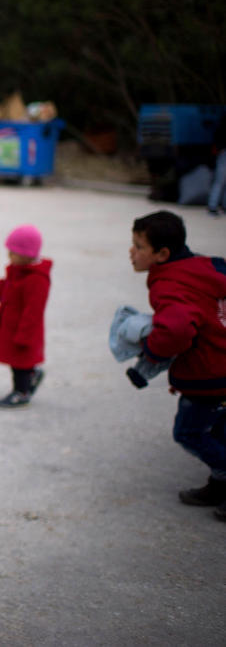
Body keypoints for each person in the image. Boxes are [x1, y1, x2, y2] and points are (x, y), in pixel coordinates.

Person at [128, 210, 226, 521]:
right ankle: (219, 483)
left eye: (139, 246)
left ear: (162, 254)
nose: (131, 252)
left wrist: (150, 350)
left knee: (189, 432)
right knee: (220, 432)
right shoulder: (204, 266)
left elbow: (177, 329)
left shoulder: (168, 285)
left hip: (208, 375)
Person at [0, 224, 52, 408]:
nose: (9, 256)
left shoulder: (37, 279)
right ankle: (32, 375)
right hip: (11, 328)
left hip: (23, 332)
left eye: (13, 253)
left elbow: (34, 310)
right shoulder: (18, 270)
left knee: (20, 365)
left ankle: (21, 392)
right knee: (17, 363)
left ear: (27, 254)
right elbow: (6, 284)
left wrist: (25, 335)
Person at [207, 113, 226, 216]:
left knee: (220, 182)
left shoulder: (221, 125)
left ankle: (214, 206)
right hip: (223, 153)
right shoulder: (222, 127)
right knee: (220, 182)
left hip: (222, 152)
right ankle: (213, 206)